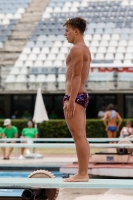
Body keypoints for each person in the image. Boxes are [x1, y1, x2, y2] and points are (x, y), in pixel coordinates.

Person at [63, 17, 91, 182]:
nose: (65, 34)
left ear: (76, 31)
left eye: (67, 31)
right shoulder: (83, 49)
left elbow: (76, 77)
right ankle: (83, 173)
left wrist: (71, 100)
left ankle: (82, 174)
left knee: (78, 136)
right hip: (78, 95)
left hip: (75, 96)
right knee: (81, 136)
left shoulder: (77, 49)